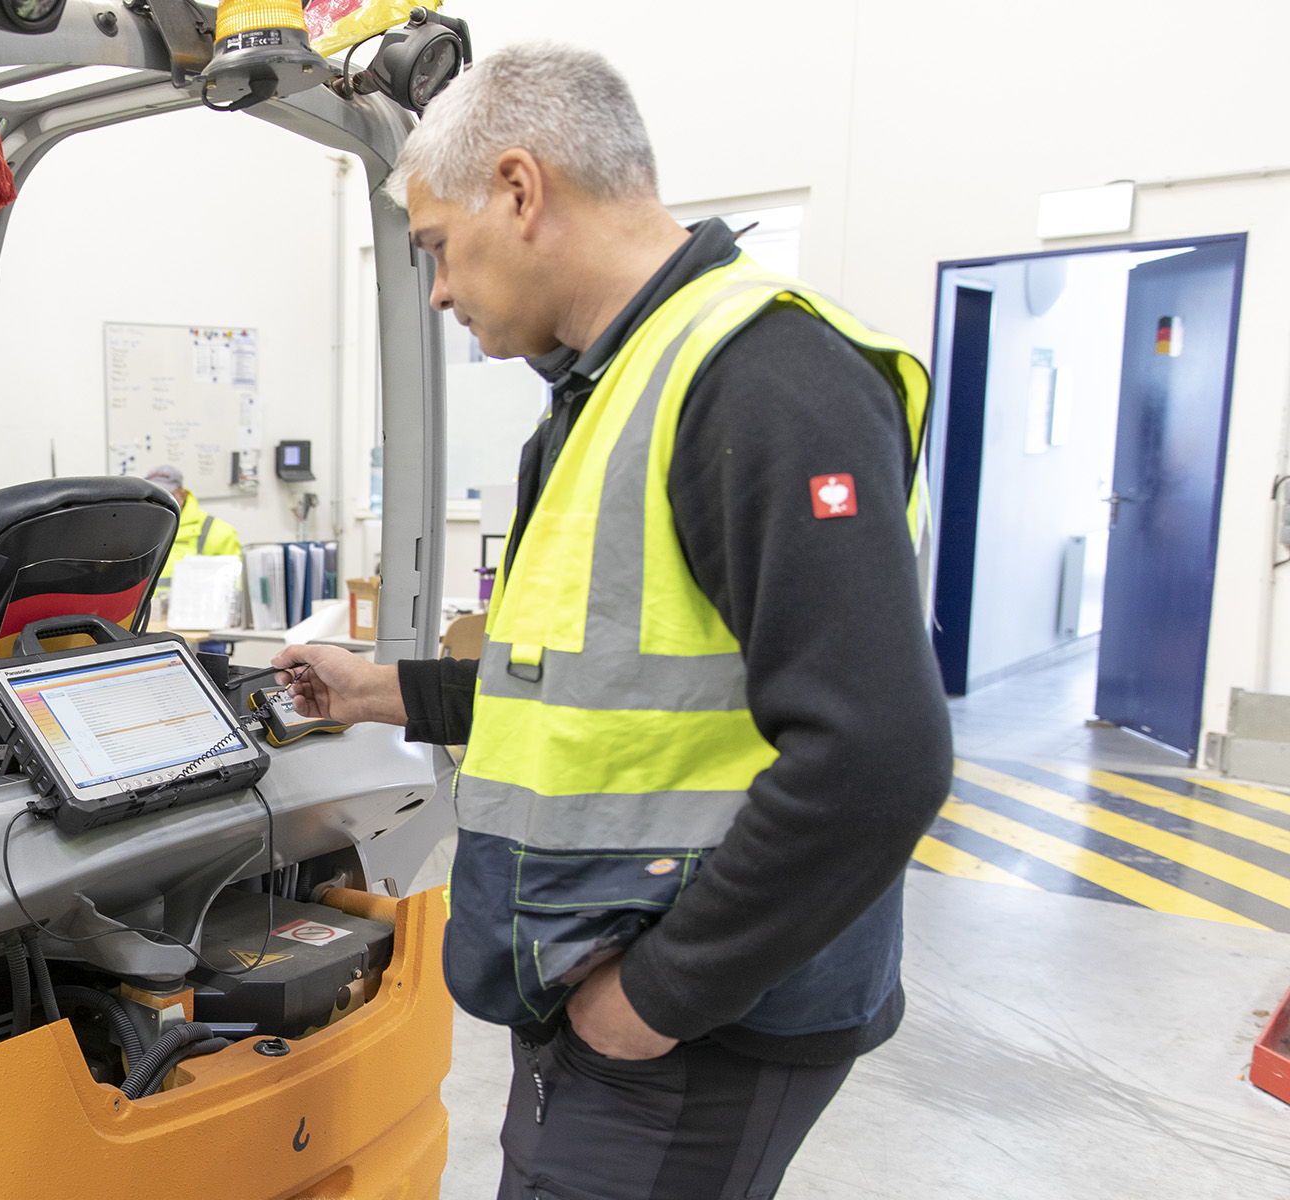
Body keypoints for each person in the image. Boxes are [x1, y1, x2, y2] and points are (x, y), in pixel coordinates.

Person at [272, 43, 951, 1199]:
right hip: (619, 986)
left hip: (699, 1025)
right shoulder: (613, 389)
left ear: (520, 191)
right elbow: (591, 688)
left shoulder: (761, 378)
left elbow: (878, 756)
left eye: (437, 246)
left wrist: (658, 996)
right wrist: (376, 691)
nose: (437, 291)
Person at [145, 464, 243, 590]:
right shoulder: (138, 529)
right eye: (153, 497)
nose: (158, 502)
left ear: (182, 495)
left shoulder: (219, 533)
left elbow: (234, 588)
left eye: (166, 495)